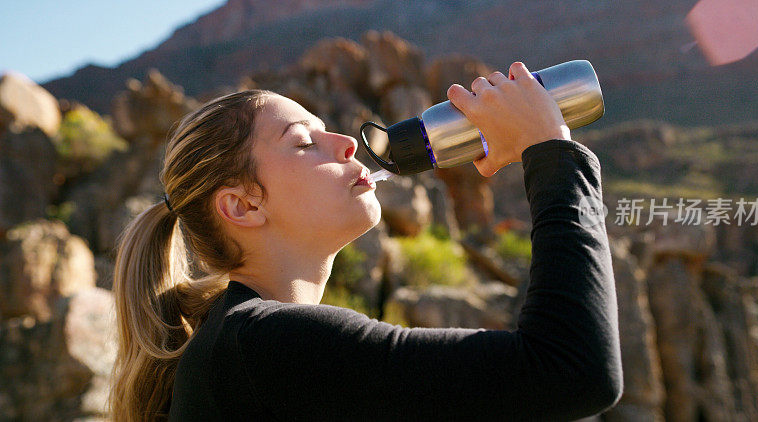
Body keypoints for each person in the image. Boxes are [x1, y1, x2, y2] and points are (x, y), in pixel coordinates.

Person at [109, 61, 622, 421]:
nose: (348, 142)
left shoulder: (246, 348)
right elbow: (570, 369)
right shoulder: (265, 344)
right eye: (305, 142)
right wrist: (551, 152)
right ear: (243, 206)